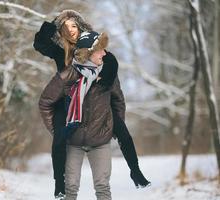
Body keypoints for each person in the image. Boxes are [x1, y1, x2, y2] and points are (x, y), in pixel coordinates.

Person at [34, 10, 150, 199]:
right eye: (66, 28)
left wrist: (111, 121)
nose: (70, 30)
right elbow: (39, 43)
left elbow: (115, 84)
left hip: (99, 102)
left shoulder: (99, 51)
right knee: (61, 142)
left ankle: (135, 171)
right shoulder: (61, 52)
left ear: (80, 26)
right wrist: (56, 22)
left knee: (122, 131)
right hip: (70, 106)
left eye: (73, 25)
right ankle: (60, 185)